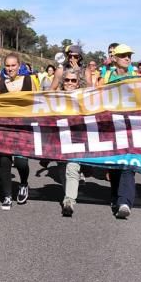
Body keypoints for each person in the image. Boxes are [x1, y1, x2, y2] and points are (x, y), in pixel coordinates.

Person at [101, 44, 137, 219]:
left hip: (130, 126)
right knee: (114, 165)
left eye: (129, 55)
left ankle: (125, 202)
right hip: (111, 127)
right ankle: (116, 197)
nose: (127, 58)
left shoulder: (136, 78)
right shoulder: (106, 77)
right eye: (123, 55)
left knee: (128, 164)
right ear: (114, 58)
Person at [0, 53, 32, 210]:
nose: (10, 69)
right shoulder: (0, 83)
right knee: (4, 161)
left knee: (21, 162)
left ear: (19, 65)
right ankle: (7, 195)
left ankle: (23, 184)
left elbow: (35, 102)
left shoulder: (29, 81)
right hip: (4, 127)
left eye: (13, 65)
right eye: (7, 66)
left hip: (23, 128)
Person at [59, 67, 85, 217]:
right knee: (62, 169)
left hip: (76, 138)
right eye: (67, 80)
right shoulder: (54, 97)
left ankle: (69, 201)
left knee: (73, 167)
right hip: (59, 140)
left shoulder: (85, 98)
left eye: (73, 80)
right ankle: (68, 193)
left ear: (78, 83)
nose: (69, 83)